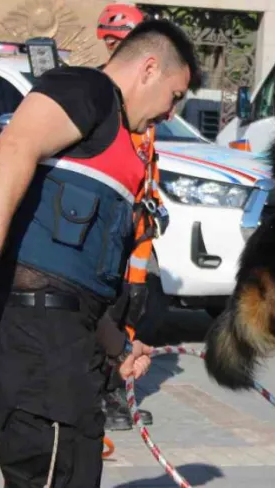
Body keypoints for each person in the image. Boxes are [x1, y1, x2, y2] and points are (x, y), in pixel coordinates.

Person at [0, 20, 201, 488]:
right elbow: (14, 147)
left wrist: (118, 345)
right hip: (37, 341)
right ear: (148, 70)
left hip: (57, 334)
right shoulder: (86, 91)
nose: (170, 111)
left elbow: (80, 285)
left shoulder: (119, 138)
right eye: (173, 95)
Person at [96, 1, 166, 431]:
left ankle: (115, 392)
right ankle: (103, 396)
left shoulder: (145, 94)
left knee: (133, 304)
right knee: (105, 306)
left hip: (140, 224)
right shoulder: (103, 94)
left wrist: (156, 202)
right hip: (113, 221)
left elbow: (148, 159)